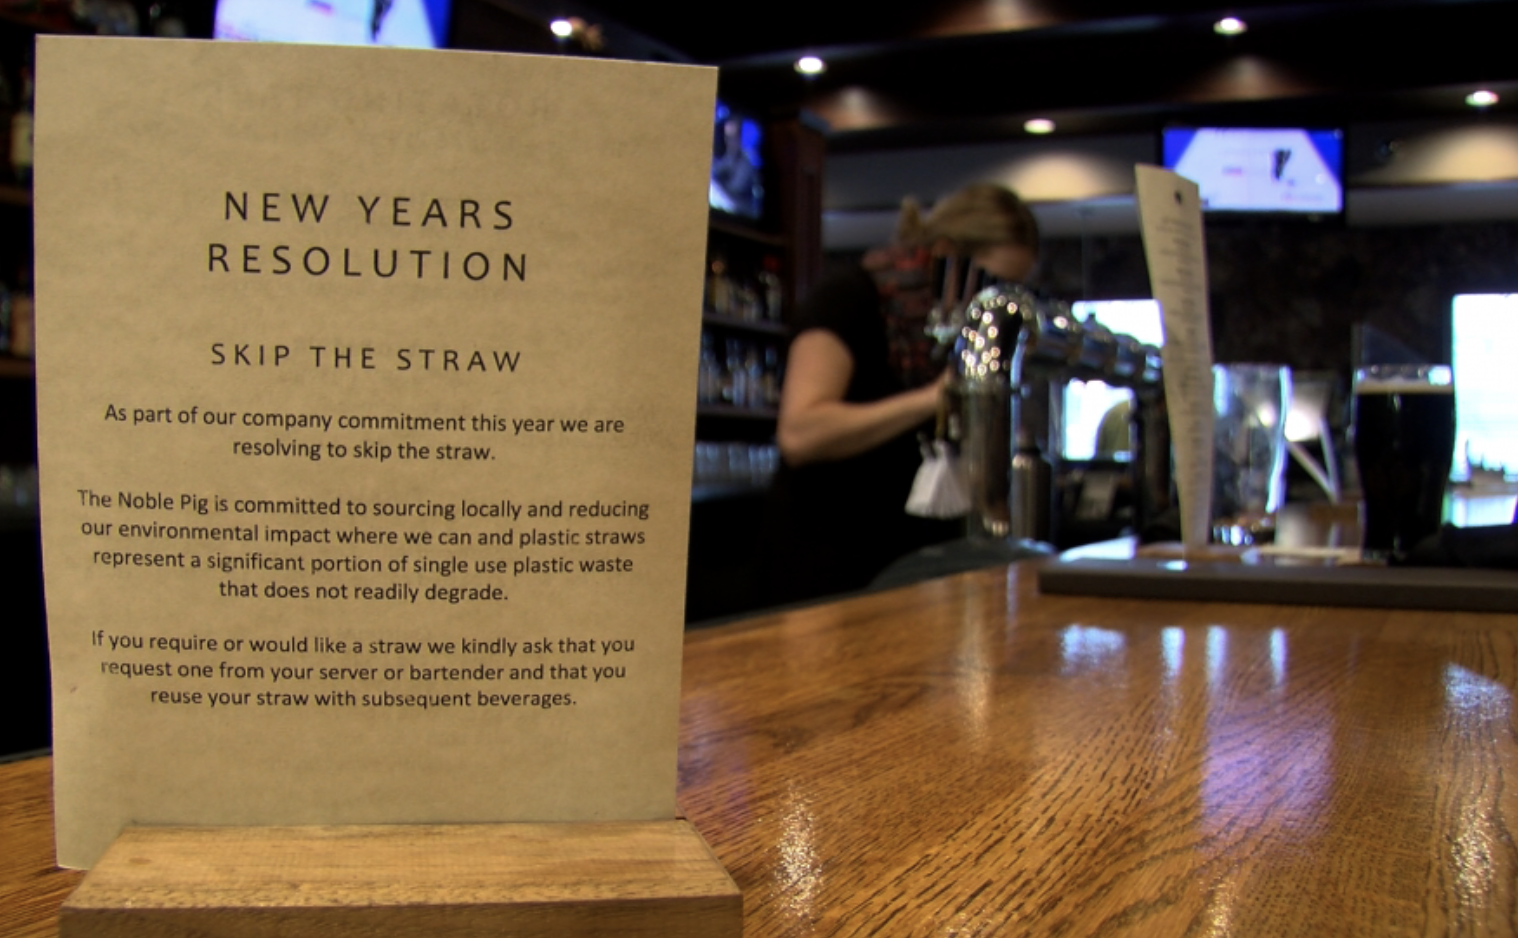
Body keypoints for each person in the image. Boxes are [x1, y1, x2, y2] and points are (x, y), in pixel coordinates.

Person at [752, 182, 1040, 607]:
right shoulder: (849, 297)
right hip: (825, 560)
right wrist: (933, 398)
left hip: (902, 561)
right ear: (946, 253)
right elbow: (801, 432)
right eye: (993, 283)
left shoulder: (951, 333)